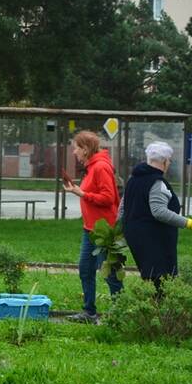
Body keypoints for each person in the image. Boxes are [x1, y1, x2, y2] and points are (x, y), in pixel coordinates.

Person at [121, 142, 192, 291]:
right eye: (170, 160)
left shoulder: (133, 179)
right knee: (162, 278)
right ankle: (160, 310)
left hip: (135, 236)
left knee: (149, 275)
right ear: (165, 161)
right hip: (154, 238)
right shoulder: (156, 181)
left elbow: (122, 208)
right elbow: (159, 211)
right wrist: (188, 223)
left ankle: (151, 307)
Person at [61, 130, 122, 324]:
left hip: (104, 232)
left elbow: (108, 198)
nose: (74, 152)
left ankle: (120, 312)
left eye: (76, 148)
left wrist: (82, 194)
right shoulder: (92, 167)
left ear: (86, 149)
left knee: (110, 273)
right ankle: (89, 312)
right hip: (90, 230)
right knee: (85, 269)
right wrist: (76, 190)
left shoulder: (100, 167)